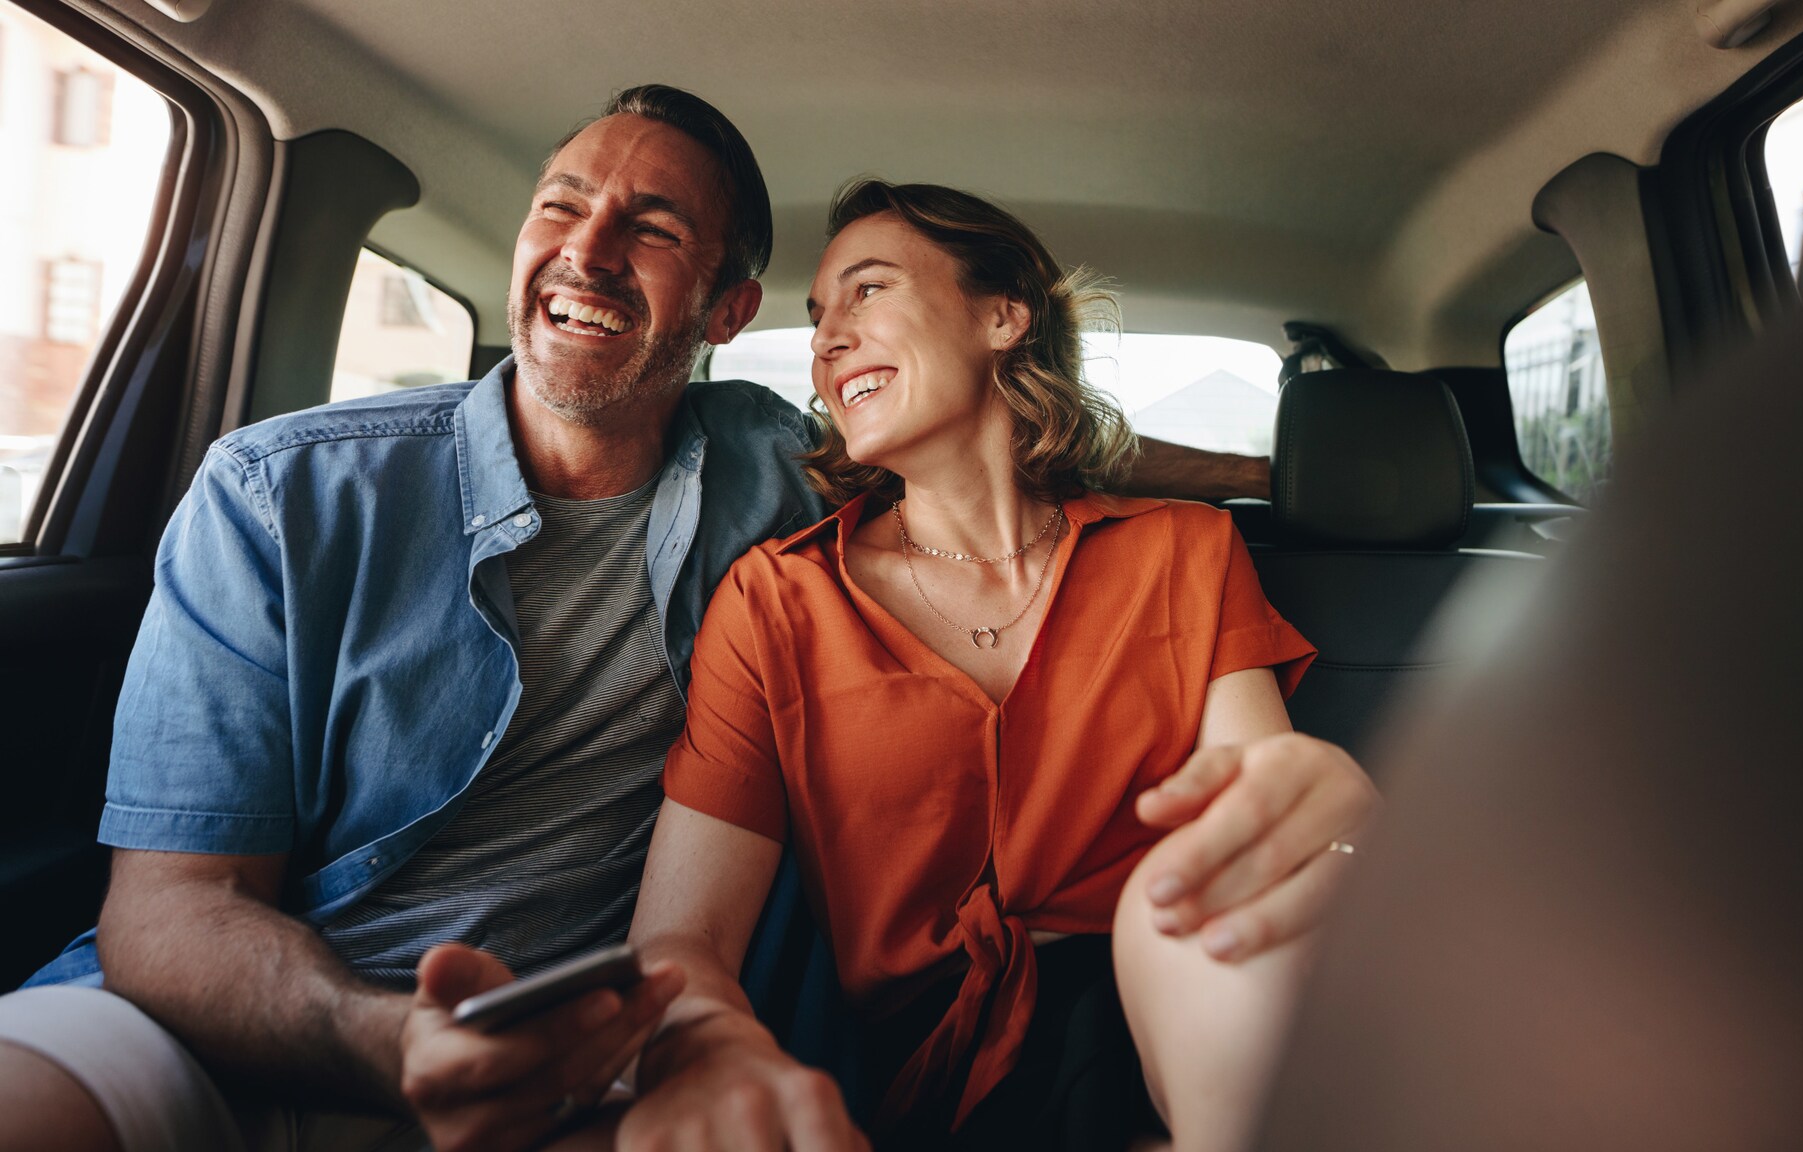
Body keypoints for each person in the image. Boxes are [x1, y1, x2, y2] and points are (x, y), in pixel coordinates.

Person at [0, 87, 1371, 1152]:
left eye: (650, 226)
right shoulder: (282, 491)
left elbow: (1008, 461)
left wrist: (1299, 472)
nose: (586, 246)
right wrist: (392, 1041)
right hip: (239, 1024)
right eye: (559, 204)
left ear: (720, 311)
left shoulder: (768, 468)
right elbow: (170, 919)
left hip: (573, 1058)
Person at [593, 181, 1374, 1152]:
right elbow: (684, 940)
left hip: (1173, 1020)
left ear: (1002, 316)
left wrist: (1336, 833)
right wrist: (703, 1051)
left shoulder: (1184, 550)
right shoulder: (775, 601)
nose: (826, 340)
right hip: (907, 1084)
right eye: (816, 316)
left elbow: (1254, 827)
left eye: (865, 291)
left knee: (1191, 899)